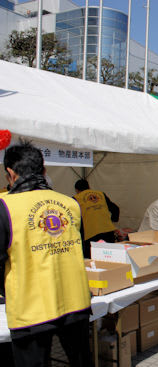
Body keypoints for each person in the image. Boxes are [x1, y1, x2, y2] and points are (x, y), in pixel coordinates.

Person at [0, 141, 91, 366]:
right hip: (75, 302)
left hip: (31, 309)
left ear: (11, 173)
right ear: (44, 170)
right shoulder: (70, 204)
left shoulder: (4, 207)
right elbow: (80, 249)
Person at [73, 179, 120, 258]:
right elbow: (115, 209)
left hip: (90, 235)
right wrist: (112, 221)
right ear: (89, 187)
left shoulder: (76, 198)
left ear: (77, 190)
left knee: (93, 261)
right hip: (108, 232)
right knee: (110, 258)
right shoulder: (101, 194)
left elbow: (75, 219)